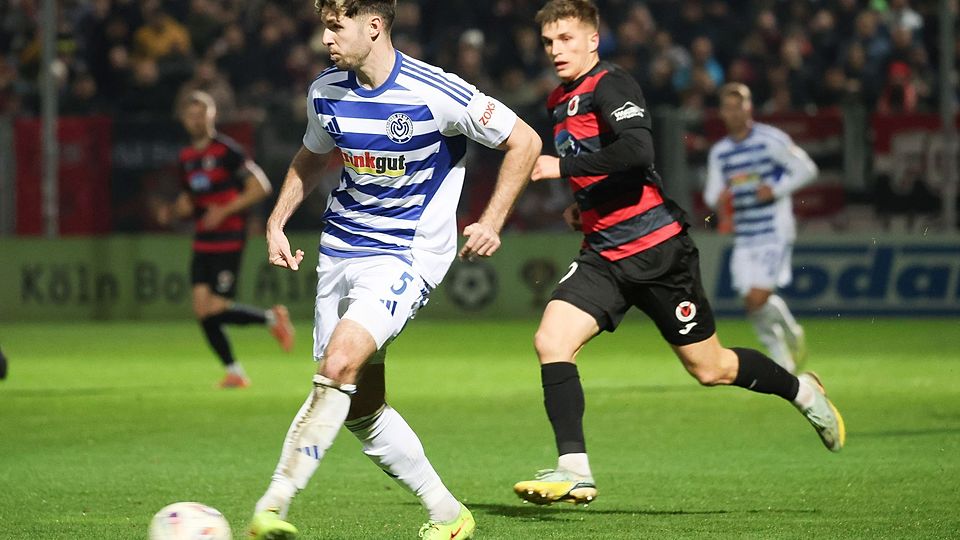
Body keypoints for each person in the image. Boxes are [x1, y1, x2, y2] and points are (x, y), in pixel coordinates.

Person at [512, 0, 844, 507]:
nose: (556, 50)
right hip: (603, 253)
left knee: (711, 369)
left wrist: (565, 169)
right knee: (551, 339)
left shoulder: (611, 84)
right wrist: (585, 205)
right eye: (549, 42)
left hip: (657, 252)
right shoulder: (560, 100)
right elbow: (606, 167)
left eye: (567, 38)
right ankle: (574, 469)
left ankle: (803, 392)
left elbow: (637, 151)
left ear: (593, 40)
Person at [246, 1, 540, 538]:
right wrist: (276, 221)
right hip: (340, 250)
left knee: (339, 364)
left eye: (336, 27)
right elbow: (312, 155)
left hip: (405, 253)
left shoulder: (436, 91)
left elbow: (525, 140)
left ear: (375, 26)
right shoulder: (325, 91)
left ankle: (273, 504)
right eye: (324, 27)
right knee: (361, 407)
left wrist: (493, 219)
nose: (325, 39)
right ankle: (448, 514)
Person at [159, 90, 295, 389]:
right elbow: (190, 199)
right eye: (191, 115)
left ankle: (272, 320)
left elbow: (260, 187)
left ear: (213, 116)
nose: (196, 120)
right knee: (202, 310)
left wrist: (224, 210)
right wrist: (175, 210)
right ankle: (235, 372)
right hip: (203, 239)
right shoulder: (186, 157)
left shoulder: (227, 151)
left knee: (217, 309)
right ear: (183, 119)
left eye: (202, 114)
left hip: (229, 237)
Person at [704, 83, 818, 374]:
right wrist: (720, 198)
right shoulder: (720, 152)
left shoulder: (770, 140)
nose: (734, 113)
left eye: (739, 106)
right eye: (728, 108)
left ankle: (786, 341)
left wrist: (777, 189)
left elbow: (807, 169)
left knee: (757, 298)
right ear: (722, 112)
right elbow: (711, 193)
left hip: (774, 230)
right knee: (750, 301)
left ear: (749, 108)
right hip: (744, 233)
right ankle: (785, 353)